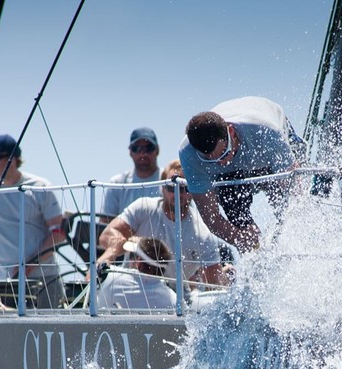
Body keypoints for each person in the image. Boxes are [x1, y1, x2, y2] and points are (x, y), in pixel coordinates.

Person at [178, 96, 303, 253]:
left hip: (271, 153)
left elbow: (295, 196)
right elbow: (211, 218)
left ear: (231, 132)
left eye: (224, 153)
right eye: (210, 161)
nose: (221, 163)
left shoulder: (267, 133)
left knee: (287, 208)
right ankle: (255, 255)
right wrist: (242, 239)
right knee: (234, 211)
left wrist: (293, 230)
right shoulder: (188, 154)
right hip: (233, 175)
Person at [97, 159, 229, 288]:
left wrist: (226, 278)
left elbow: (214, 285)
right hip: (132, 286)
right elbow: (106, 236)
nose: (178, 193)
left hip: (176, 299)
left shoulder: (203, 233)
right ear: (162, 188)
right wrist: (115, 250)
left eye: (185, 188)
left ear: (193, 191)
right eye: (172, 187)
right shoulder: (143, 208)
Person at [0, 134, 67, 308]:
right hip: (2, 282)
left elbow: (59, 233)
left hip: (43, 279)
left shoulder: (39, 187)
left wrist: (29, 265)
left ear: (12, 159)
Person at [95, 237, 177, 311]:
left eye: (132, 255)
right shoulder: (173, 299)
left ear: (138, 262)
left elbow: (92, 274)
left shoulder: (110, 276)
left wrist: (113, 250)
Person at [100, 127, 161, 220]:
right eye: (137, 149)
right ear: (130, 152)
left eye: (149, 148)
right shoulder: (116, 184)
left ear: (157, 150)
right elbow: (104, 223)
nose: (143, 154)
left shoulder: (169, 181)